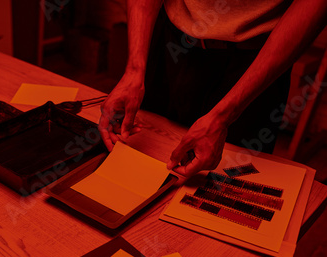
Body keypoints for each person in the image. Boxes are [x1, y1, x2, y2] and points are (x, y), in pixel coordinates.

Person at [99, 0, 327, 179]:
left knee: (223, 189)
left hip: (255, 61)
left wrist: (223, 117)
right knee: (136, 169)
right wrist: (134, 70)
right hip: (170, 44)